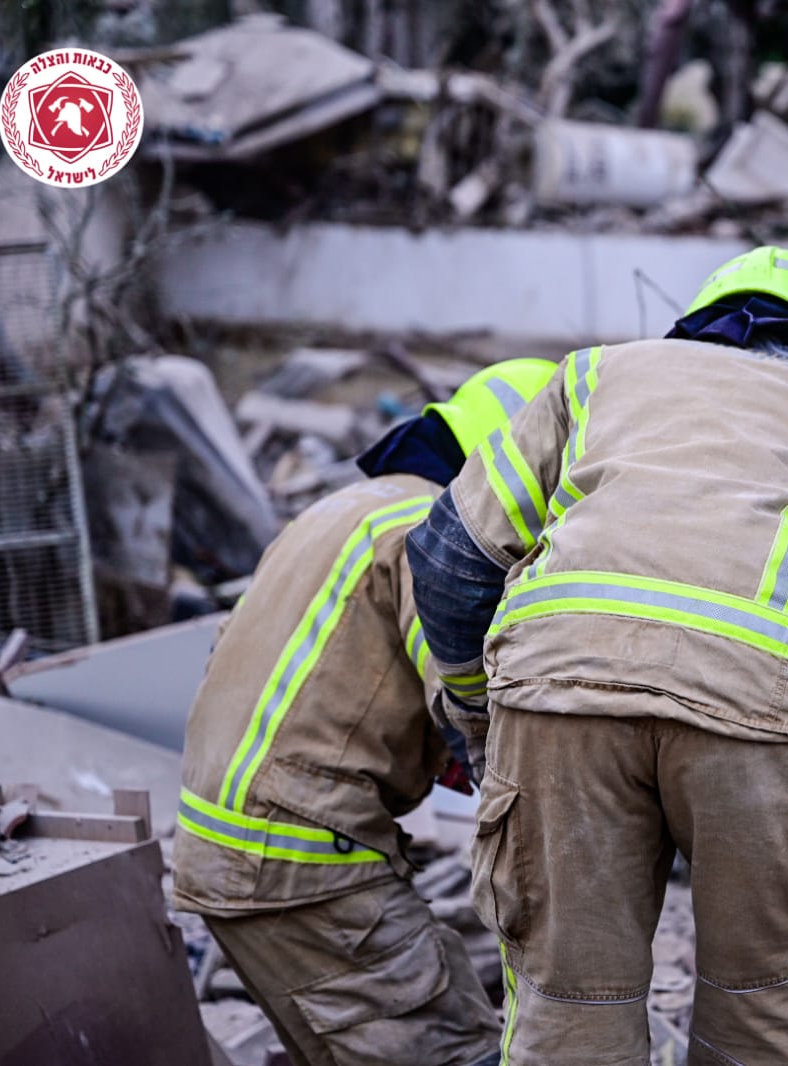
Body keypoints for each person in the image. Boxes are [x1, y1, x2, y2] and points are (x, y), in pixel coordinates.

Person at [407, 247, 788, 1065]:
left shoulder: (592, 379)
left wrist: (480, 720)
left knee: (566, 1021)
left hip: (560, 709)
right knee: (766, 1025)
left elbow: (449, 560)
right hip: (770, 725)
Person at [174, 358, 559, 1066]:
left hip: (226, 848)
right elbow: (466, 703)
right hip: (300, 862)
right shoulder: (430, 535)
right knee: (455, 1051)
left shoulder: (347, 507)